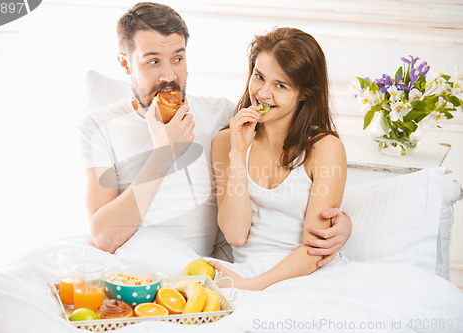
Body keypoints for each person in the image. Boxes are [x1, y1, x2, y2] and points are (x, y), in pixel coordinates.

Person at [79, 2, 351, 265]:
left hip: (197, 272)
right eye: (152, 61)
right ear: (126, 64)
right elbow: (104, 237)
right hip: (130, 266)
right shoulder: (98, 127)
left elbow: (283, 150)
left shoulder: (221, 116)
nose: (168, 75)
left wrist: (344, 224)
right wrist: (164, 154)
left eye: (177, 58)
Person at [210, 27, 348, 290]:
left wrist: (252, 286)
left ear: (305, 93)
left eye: (280, 85)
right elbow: (236, 235)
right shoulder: (226, 141)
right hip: (246, 271)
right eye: (259, 77)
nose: (262, 93)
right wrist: (238, 154)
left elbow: (315, 249)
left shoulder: (325, 148)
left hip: (307, 276)